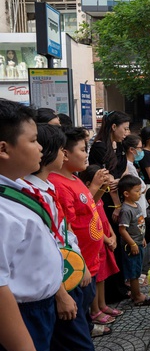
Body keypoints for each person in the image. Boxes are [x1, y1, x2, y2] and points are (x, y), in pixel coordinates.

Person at [22, 124, 96, 351]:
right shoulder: (26, 195)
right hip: (56, 286)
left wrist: (80, 264)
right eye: (62, 149)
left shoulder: (48, 188)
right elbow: (41, 253)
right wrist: (61, 293)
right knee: (77, 350)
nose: (65, 155)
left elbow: (65, 233)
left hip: (71, 275)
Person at [0, 101, 65, 351]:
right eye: (34, 141)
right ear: (4, 149)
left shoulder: (17, 189)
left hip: (39, 309)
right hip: (19, 315)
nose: (41, 148)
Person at [49, 127, 111, 338]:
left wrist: (98, 186)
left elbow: (88, 207)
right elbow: (65, 232)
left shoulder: (74, 179)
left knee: (83, 315)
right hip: (78, 268)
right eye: (83, 149)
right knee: (76, 330)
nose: (87, 154)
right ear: (65, 154)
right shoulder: (59, 185)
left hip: (89, 264)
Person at [78, 165, 121, 331]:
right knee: (96, 276)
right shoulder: (88, 198)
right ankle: (95, 310)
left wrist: (113, 235)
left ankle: (102, 305)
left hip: (104, 237)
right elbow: (91, 220)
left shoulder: (99, 197)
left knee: (102, 275)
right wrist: (106, 239)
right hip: (98, 239)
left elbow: (104, 220)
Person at [117, 174, 150, 306]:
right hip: (131, 247)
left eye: (140, 190)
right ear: (126, 193)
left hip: (139, 242)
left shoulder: (136, 205)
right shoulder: (126, 210)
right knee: (133, 272)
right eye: (137, 191)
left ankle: (136, 293)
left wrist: (143, 238)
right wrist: (132, 243)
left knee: (137, 270)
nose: (140, 193)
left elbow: (139, 225)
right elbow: (122, 230)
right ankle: (137, 296)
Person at [122, 134, 148, 212]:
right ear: (132, 150)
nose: (141, 151)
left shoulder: (132, 165)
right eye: (140, 148)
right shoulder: (127, 166)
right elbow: (141, 187)